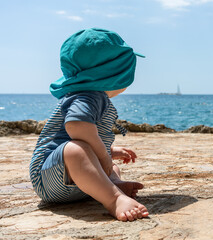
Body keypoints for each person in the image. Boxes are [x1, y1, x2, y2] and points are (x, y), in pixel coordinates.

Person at [30, 28, 149, 221]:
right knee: (77, 150)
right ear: (114, 72)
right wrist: (103, 155)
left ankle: (112, 184)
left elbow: (90, 138)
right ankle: (114, 199)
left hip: (74, 182)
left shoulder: (94, 97)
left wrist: (109, 152)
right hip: (50, 179)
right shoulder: (87, 97)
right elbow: (77, 127)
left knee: (112, 168)